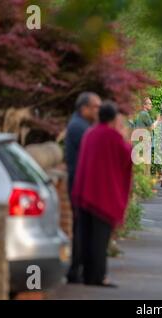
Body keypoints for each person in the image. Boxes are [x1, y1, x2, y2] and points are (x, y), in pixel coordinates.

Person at [71, 101, 132, 287]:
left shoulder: (90, 133)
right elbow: (127, 157)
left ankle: (87, 274)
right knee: (100, 239)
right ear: (113, 119)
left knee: (86, 236)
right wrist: (124, 137)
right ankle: (98, 276)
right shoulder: (113, 136)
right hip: (103, 195)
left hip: (86, 191)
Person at [64, 91, 101, 284]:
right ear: (84, 108)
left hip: (81, 182)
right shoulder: (79, 127)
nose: (98, 110)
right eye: (95, 106)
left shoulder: (82, 124)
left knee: (82, 228)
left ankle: (77, 268)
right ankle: (75, 270)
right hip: (80, 184)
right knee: (81, 229)